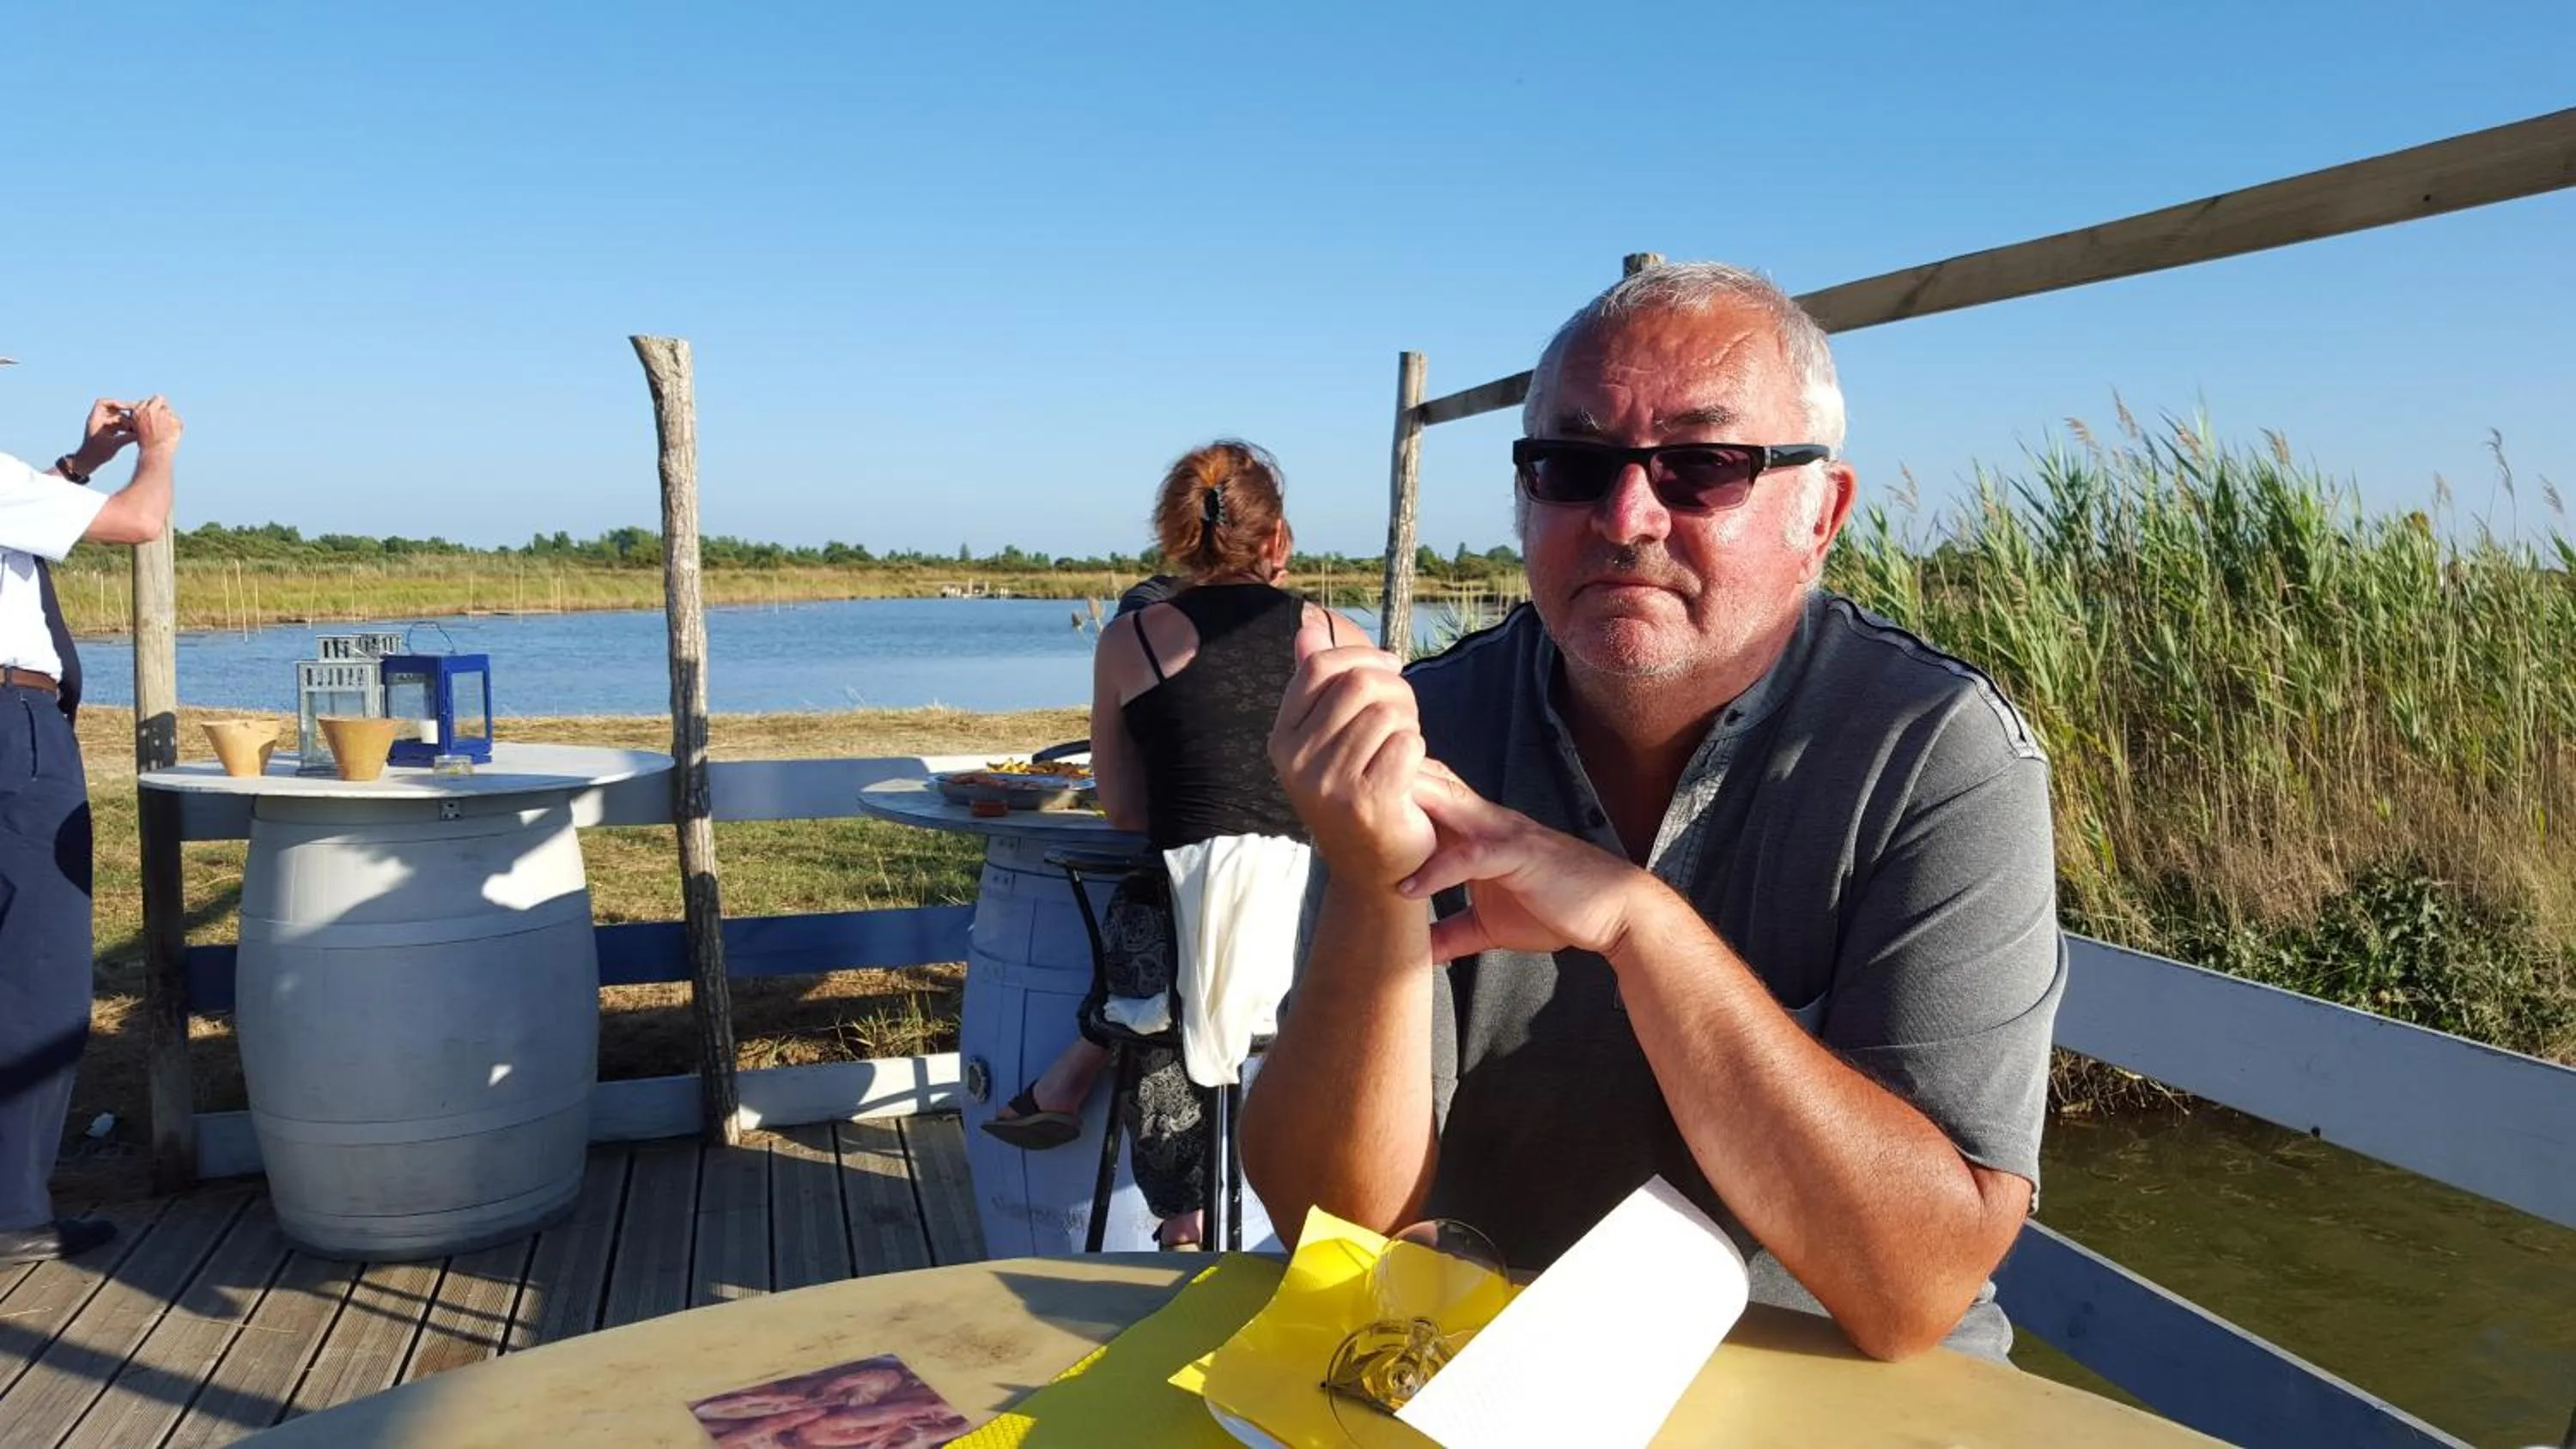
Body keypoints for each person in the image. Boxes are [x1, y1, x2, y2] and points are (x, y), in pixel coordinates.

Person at [1247, 262, 2063, 1362]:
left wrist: (1640, 926)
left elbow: (1911, 1287)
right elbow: (1332, 1229)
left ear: (1820, 511)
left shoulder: (1933, 750)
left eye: (1702, 465)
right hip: (1487, 1373)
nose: (1626, 515)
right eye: (1575, 464)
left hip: (1827, 1392)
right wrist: (1367, 874)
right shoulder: (1425, 732)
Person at [981, 440, 1347, 1250]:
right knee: (1176, 935)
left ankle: (1181, 1205)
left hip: (1198, 938)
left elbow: (1121, 809)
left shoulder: (1132, 641)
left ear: (1174, 538)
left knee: (1160, 930)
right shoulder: (1339, 636)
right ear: (1278, 539)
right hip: (1316, 935)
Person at [1, 374, 184, 1267]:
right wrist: (155, 454)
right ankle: (11, 1213)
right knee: (38, 974)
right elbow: (139, 522)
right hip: (11, 728)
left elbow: (19, 520)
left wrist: (80, 462)